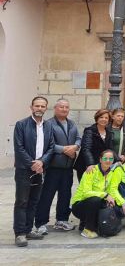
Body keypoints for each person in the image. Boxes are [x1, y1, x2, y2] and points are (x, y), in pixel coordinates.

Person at [13, 96, 55, 247]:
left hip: (41, 168)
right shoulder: (21, 124)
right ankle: (20, 233)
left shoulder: (48, 126)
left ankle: (28, 229)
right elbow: (19, 147)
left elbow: (51, 147)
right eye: (37, 106)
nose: (39, 109)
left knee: (34, 201)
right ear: (31, 107)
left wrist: (42, 162)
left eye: (42, 106)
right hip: (25, 169)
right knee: (22, 201)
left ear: (46, 108)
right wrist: (32, 163)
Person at [35, 99, 80, 235]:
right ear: (55, 108)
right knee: (46, 195)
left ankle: (62, 220)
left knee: (65, 195)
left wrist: (75, 147)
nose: (64, 109)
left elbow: (78, 138)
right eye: (61, 107)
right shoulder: (48, 124)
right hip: (53, 167)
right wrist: (65, 149)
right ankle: (41, 223)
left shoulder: (72, 124)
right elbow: (47, 143)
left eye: (66, 107)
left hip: (67, 168)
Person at [71, 149, 117, 239]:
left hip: (96, 203)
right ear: (100, 159)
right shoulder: (91, 171)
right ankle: (88, 229)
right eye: (105, 158)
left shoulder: (112, 172)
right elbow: (86, 193)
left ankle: (87, 224)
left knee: (111, 203)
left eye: (111, 159)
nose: (108, 161)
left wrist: (113, 199)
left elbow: (112, 190)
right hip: (79, 205)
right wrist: (105, 195)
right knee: (94, 199)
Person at [76, 109, 113, 182]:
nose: (104, 119)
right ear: (97, 119)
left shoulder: (109, 132)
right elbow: (86, 149)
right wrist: (90, 164)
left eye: (106, 118)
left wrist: (118, 160)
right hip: (86, 165)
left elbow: (110, 149)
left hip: (101, 166)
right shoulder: (89, 131)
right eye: (101, 117)